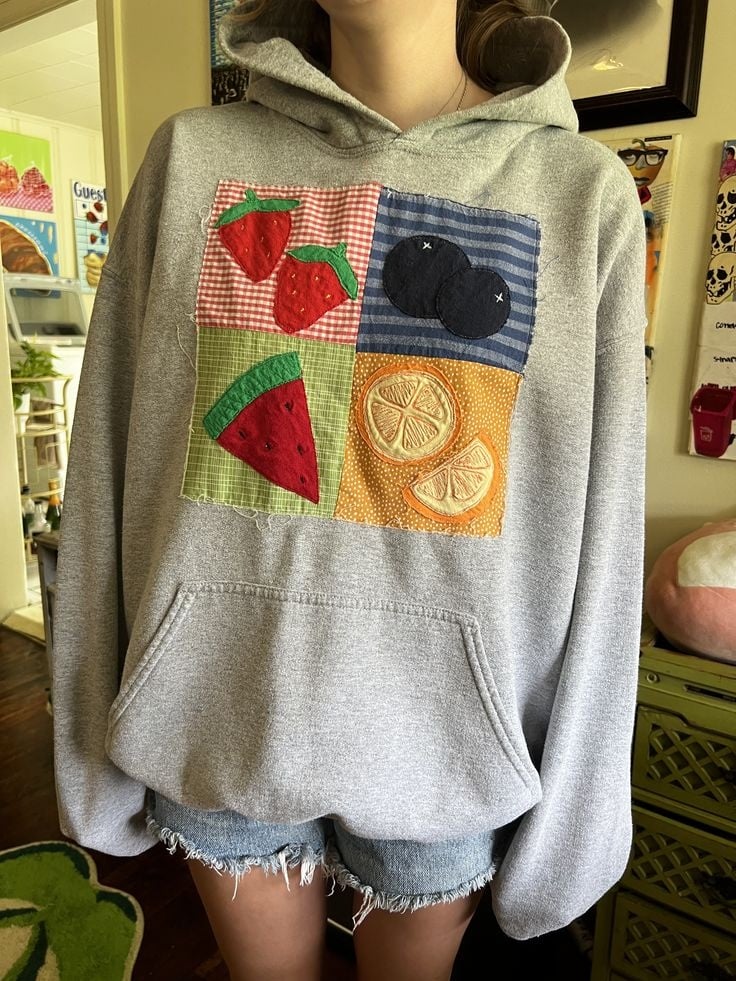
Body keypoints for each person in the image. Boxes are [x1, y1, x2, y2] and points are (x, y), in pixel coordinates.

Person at [50, 1, 648, 979]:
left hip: (444, 751)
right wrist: (86, 746)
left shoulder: (579, 193)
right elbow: (110, 452)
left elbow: (604, 528)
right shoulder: (193, 157)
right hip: (215, 712)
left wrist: (575, 824)